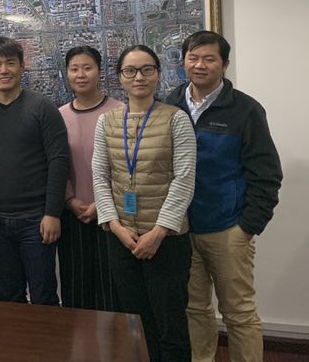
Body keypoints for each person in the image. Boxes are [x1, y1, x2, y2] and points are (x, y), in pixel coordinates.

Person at [164, 31, 282, 362]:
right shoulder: (170, 105)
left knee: (239, 313)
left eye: (209, 58)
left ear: (225, 64)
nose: (200, 65)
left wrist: (247, 226)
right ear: (183, 61)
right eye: (193, 58)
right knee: (194, 309)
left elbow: (267, 174)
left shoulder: (245, 110)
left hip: (228, 229)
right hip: (181, 229)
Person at [92, 44, 196, 361]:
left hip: (166, 241)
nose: (139, 77)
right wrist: (115, 227)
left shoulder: (176, 119)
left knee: (171, 324)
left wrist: (159, 232)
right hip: (121, 239)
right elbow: (100, 176)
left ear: (158, 74)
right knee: (136, 323)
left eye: (146, 69)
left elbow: (184, 178)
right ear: (120, 77)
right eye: (130, 70)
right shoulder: (107, 122)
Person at [0, 36, 70, 306]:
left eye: (10, 63)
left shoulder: (42, 108)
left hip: (36, 219)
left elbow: (59, 161)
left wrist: (52, 213)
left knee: (43, 294)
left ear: (22, 66)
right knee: (9, 295)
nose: (3, 70)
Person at [58, 45, 123, 310]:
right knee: (76, 288)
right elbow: (55, 164)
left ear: (99, 71)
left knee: (112, 289)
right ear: (66, 73)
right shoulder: (59, 116)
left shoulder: (120, 111)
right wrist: (69, 199)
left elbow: (125, 165)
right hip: (72, 213)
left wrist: (102, 203)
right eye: (74, 69)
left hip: (113, 214)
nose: (81, 74)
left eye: (87, 68)